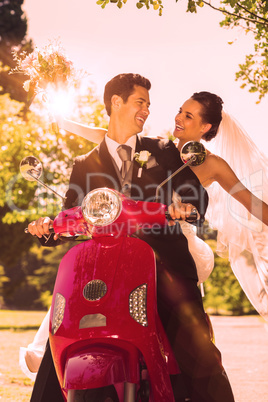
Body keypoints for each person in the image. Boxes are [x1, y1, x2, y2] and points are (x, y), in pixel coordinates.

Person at [26, 74, 234, 402]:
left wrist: (186, 205)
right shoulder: (84, 164)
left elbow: (192, 190)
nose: (147, 110)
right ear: (116, 102)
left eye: (149, 105)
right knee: (63, 339)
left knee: (198, 354)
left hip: (163, 269)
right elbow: (72, 214)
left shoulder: (164, 150)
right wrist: (47, 228)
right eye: (140, 102)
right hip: (105, 268)